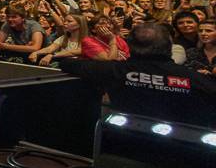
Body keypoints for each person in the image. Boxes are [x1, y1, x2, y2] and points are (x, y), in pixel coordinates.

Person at [60, 22, 216, 123]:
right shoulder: (193, 78)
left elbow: (67, 63)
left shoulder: (114, 69)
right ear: (169, 46)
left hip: (126, 138)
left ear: (130, 45)